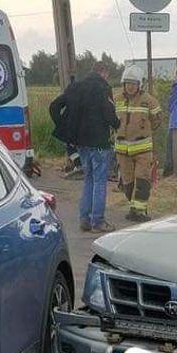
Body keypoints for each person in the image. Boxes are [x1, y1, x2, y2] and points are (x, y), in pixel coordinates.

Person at [56, 61, 119, 232]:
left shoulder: (77, 87)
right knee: (99, 181)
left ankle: (84, 219)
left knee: (88, 180)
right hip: (99, 142)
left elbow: (56, 107)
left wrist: (65, 130)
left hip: (81, 143)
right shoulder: (102, 88)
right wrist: (117, 123)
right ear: (103, 72)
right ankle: (97, 221)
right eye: (107, 74)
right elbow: (109, 113)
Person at [114, 74, 161, 222]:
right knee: (127, 184)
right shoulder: (117, 100)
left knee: (142, 181)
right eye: (127, 83)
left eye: (133, 83)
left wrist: (144, 131)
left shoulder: (149, 101)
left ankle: (140, 212)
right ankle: (133, 208)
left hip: (142, 149)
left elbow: (157, 120)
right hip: (123, 151)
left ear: (139, 84)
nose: (130, 86)